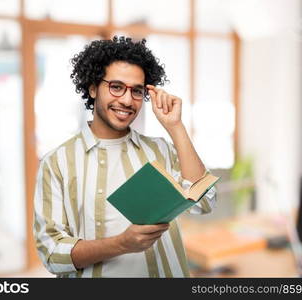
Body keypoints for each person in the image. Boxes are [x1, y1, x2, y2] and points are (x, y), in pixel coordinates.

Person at [33, 36, 217, 278]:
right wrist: (121, 244)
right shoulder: (56, 163)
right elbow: (51, 253)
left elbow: (204, 202)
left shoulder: (160, 150)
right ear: (92, 87)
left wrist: (176, 127)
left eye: (137, 91)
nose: (127, 100)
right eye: (116, 87)